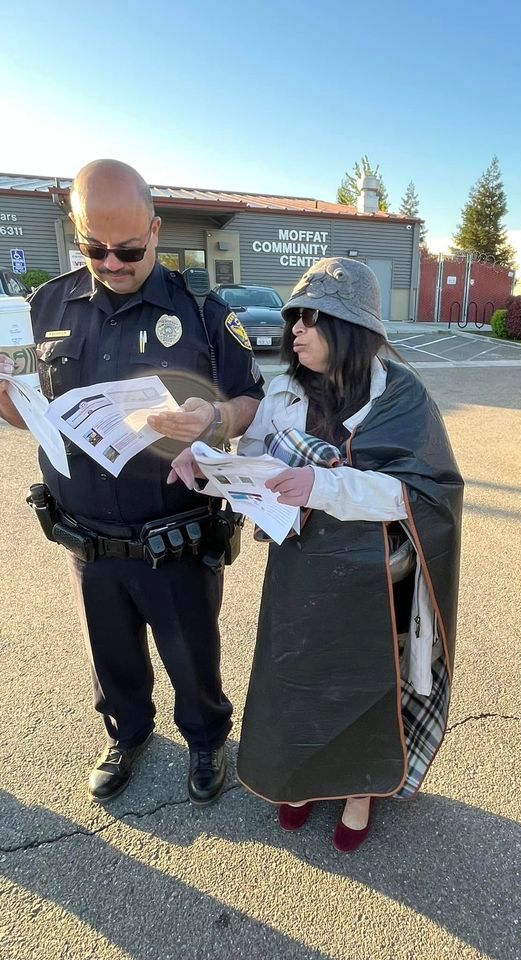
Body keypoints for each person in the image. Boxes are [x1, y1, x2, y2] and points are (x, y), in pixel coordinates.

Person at [172, 256, 463, 849]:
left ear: (349, 330)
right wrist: (204, 463)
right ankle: (301, 777)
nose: (295, 331)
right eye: (295, 319)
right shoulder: (283, 391)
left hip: (378, 578)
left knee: (365, 682)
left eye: (311, 319)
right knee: (298, 675)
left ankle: (359, 789)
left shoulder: (403, 397)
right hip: (301, 566)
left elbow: (425, 495)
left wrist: (324, 485)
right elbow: (253, 459)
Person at [0, 159, 264, 805]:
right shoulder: (46, 306)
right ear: (75, 231)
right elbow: (28, 415)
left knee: (192, 657)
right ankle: (128, 733)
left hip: (174, 537)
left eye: (128, 249)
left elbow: (248, 400)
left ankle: (206, 740)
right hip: (85, 536)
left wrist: (215, 418)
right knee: (111, 658)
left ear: (156, 228)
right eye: (96, 248)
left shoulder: (202, 312)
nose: (112, 262)